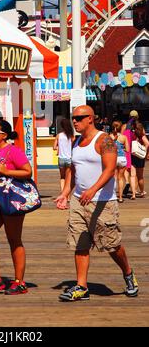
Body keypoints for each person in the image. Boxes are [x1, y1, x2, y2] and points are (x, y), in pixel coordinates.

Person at [55, 105, 139, 302]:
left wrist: (92, 189)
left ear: (91, 118)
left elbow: (110, 169)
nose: (75, 121)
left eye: (79, 117)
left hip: (103, 202)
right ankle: (81, 287)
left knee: (112, 245)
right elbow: (72, 171)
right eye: (73, 117)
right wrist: (65, 192)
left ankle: (128, 273)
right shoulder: (76, 141)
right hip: (78, 201)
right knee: (80, 243)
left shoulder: (104, 140)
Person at [0, 118, 32, 296]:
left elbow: (27, 171)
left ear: (4, 135)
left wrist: (7, 171)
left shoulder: (13, 151)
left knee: (14, 239)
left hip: (10, 202)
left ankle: (19, 282)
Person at [109, 121, 129, 203]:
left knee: (114, 177)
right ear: (120, 128)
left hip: (113, 158)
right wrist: (121, 149)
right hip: (122, 158)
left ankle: (113, 196)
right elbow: (127, 150)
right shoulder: (124, 137)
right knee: (120, 178)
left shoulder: (109, 136)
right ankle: (120, 197)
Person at [53, 119, 75, 192]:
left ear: (62, 126)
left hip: (61, 159)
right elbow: (74, 147)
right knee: (69, 177)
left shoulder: (58, 135)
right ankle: (67, 195)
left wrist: (59, 147)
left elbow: (54, 147)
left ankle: (63, 193)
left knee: (62, 177)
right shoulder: (72, 136)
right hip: (69, 159)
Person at [130, 120, 149, 199]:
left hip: (133, 156)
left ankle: (133, 194)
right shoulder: (142, 136)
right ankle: (142, 192)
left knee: (132, 175)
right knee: (140, 176)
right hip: (140, 157)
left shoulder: (132, 135)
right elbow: (147, 143)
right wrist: (144, 150)